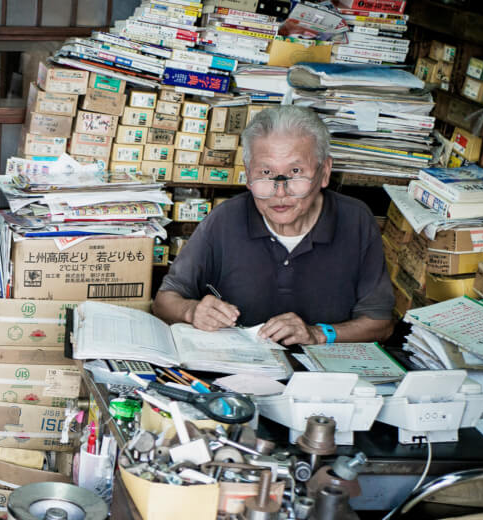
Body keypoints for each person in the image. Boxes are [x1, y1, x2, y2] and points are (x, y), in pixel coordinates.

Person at [152, 105, 395, 346]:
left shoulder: (355, 220)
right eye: (266, 173)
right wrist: (192, 311)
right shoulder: (226, 218)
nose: (280, 192)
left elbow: (380, 323)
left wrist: (318, 334)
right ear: (248, 175)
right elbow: (163, 302)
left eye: (296, 171)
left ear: (325, 172)